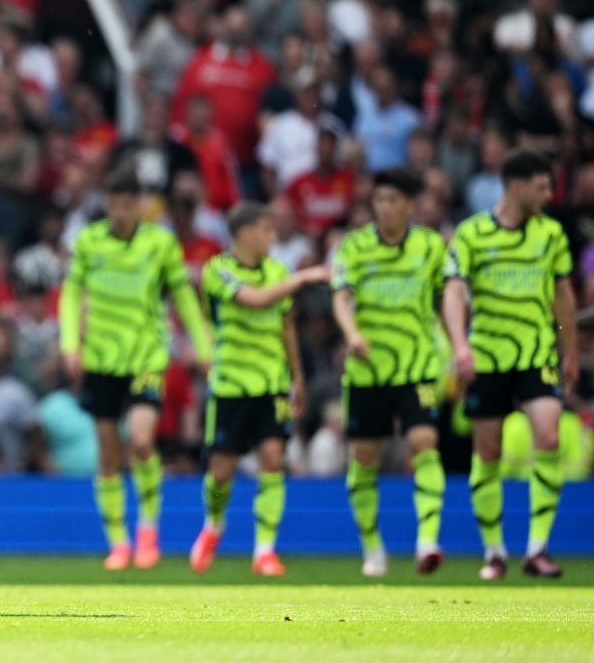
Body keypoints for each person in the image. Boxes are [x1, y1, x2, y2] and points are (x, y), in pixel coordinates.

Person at [59, 168, 211, 571]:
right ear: (108, 204)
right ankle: (118, 542)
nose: (122, 212)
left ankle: (147, 529)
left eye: (130, 204)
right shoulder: (90, 242)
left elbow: (183, 295)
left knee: (142, 442)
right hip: (101, 360)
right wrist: (70, 344)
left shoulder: (160, 243)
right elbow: (72, 294)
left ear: (141, 206)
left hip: (146, 357)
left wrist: (203, 345)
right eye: (116, 204)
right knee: (108, 453)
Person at [443, 150, 576, 580]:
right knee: (488, 451)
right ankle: (494, 551)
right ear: (516, 188)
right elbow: (454, 293)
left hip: (537, 353)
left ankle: (537, 549)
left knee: (549, 435)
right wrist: (460, 346)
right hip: (487, 356)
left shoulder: (551, 234)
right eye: (541, 187)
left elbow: (564, 298)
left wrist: (568, 349)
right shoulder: (472, 234)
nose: (549, 195)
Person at [191, 202, 328, 577]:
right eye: (266, 230)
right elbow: (255, 300)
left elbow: (286, 326)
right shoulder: (218, 270)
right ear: (246, 233)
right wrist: (305, 277)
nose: (272, 237)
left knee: (273, 460)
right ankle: (213, 525)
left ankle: (265, 550)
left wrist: (297, 377)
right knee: (221, 471)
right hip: (231, 384)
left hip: (272, 384)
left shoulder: (276, 271)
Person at [330, 169, 448, 577]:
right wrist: (352, 334)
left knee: (424, 441)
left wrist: (460, 349)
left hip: (417, 367)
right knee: (364, 456)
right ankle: (373, 548)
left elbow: (446, 301)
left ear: (409, 205)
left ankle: (427, 540)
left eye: (393, 200)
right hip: (367, 371)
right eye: (379, 200)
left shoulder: (431, 248)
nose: (385, 207)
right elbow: (341, 298)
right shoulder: (356, 246)